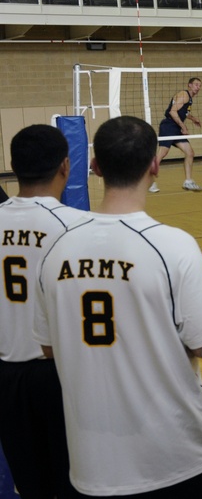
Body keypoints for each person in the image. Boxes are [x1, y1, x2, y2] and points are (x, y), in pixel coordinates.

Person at [34, 116, 202, 497]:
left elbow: (48, 349)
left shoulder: (55, 252)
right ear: (155, 164)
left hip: (91, 466)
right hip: (176, 460)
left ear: (95, 167)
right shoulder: (174, 247)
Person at [0, 125, 85, 499]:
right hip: (59, 374)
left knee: (31, 484)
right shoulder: (77, 227)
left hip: (6, 376)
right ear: (66, 165)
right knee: (75, 482)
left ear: (13, 166)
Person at [150, 77, 202, 193]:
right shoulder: (184, 95)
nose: (198, 87)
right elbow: (172, 111)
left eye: (200, 85)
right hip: (169, 126)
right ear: (189, 85)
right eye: (196, 84)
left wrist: (193, 118)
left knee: (190, 152)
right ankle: (149, 182)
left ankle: (188, 182)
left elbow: (184, 112)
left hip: (175, 127)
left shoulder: (189, 98)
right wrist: (183, 126)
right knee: (162, 153)